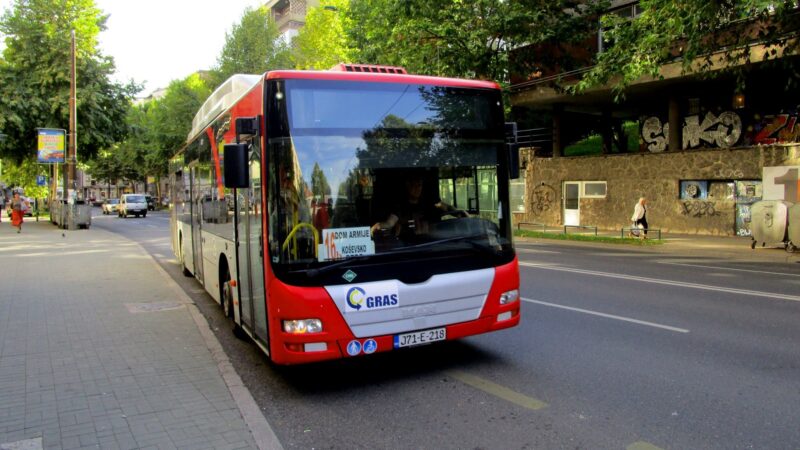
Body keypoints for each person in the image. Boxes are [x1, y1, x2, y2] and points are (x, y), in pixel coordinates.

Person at [371, 176, 462, 237]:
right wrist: (379, 226)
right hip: (409, 246)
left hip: (432, 244)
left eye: (420, 185)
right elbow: (390, 223)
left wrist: (459, 213)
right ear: (407, 185)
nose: (417, 188)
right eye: (414, 185)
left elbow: (447, 208)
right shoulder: (399, 206)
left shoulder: (429, 203)